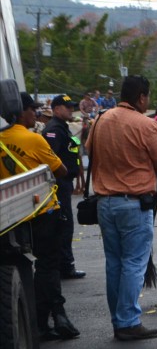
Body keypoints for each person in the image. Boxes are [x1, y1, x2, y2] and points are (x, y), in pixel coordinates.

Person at [85, 76, 157, 341]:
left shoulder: (99, 120)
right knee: (134, 263)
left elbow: (90, 151)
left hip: (104, 203)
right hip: (134, 203)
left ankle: (118, 320)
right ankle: (128, 322)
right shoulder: (147, 125)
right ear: (141, 97)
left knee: (114, 262)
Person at [0, 93, 79, 342]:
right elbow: (61, 169)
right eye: (31, 109)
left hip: (10, 214)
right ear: (18, 112)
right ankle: (51, 317)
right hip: (43, 211)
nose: (35, 113)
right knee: (48, 266)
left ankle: (43, 320)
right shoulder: (34, 139)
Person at [43, 93, 86, 280]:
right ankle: (65, 266)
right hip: (59, 183)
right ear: (57, 109)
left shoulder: (63, 128)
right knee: (64, 224)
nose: (70, 110)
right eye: (67, 107)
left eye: (71, 107)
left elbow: (72, 146)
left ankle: (64, 263)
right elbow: (51, 158)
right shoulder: (53, 129)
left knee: (66, 223)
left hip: (66, 182)